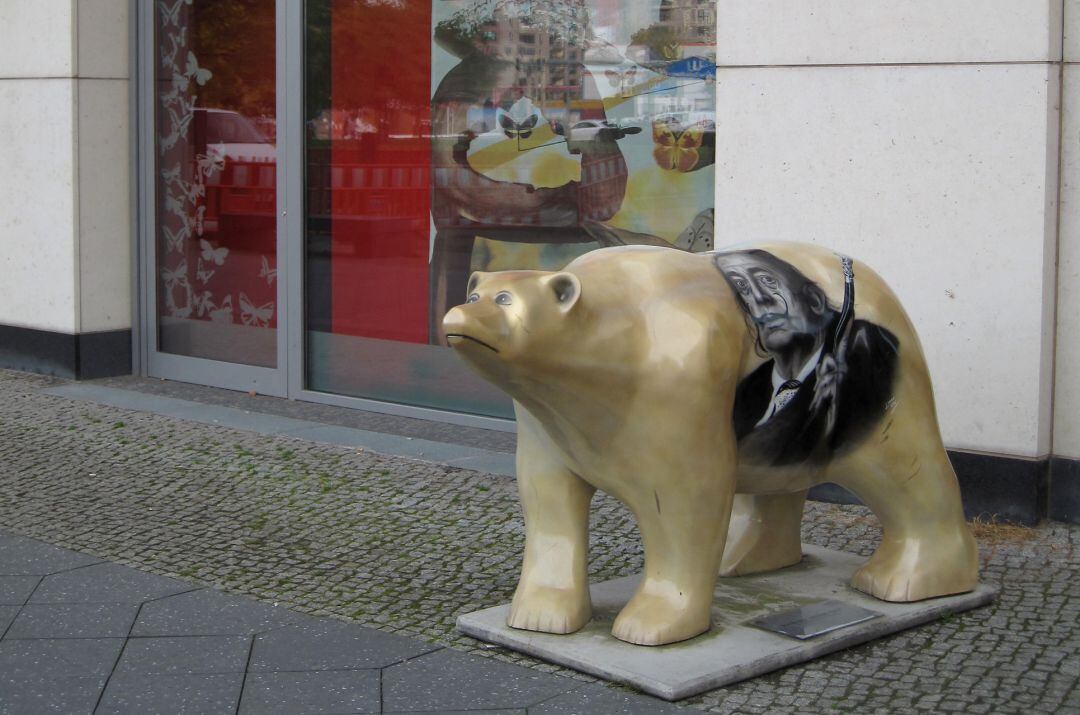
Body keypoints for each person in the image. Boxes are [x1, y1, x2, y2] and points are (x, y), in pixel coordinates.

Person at [713, 249, 900, 466]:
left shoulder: (866, 351)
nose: (757, 298)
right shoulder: (748, 392)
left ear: (814, 300)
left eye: (766, 280)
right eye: (742, 288)